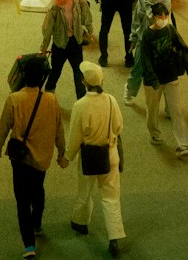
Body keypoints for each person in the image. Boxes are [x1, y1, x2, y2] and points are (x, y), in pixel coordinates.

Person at [0, 54, 67, 260]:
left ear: (23, 76)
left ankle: (29, 245)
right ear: (43, 77)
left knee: (22, 199)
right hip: (42, 158)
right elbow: (59, 130)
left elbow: (3, 126)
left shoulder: (14, 99)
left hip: (21, 158)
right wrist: (62, 153)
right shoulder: (51, 100)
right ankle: (37, 224)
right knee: (38, 190)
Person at [64, 61, 126, 258]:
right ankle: (114, 237)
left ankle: (81, 222)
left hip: (89, 157)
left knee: (85, 191)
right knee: (111, 197)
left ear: (84, 82)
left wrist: (67, 157)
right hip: (110, 154)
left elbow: (75, 136)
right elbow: (118, 127)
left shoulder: (80, 105)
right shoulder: (111, 101)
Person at [137, 0, 188, 156]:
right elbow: (145, 60)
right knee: (152, 111)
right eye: (160, 16)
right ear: (153, 17)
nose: (163, 18)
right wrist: (154, 80)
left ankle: (183, 144)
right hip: (152, 80)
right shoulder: (147, 35)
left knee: (176, 110)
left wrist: (187, 66)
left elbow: (182, 46)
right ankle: (154, 134)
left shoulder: (170, 29)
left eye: (165, 15)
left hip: (170, 76)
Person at [40, 0, 93, 101]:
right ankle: (49, 94)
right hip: (60, 44)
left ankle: (81, 100)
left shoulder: (80, 1)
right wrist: (44, 47)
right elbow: (47, 29)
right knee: (56, 71)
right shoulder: (55, 7)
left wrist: (90, 32)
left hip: (75, 42)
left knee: (78, 72)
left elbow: (87, 18)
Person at [124, 0, 172, 108]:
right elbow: (137, 20)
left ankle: (169, 107)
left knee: (164, 74)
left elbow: (159, 20)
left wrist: (149, 6)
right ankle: (130, 91)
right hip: (143, 39)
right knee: (137, 69)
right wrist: (133, 38)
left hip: (160, 41)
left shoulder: (166, 1)